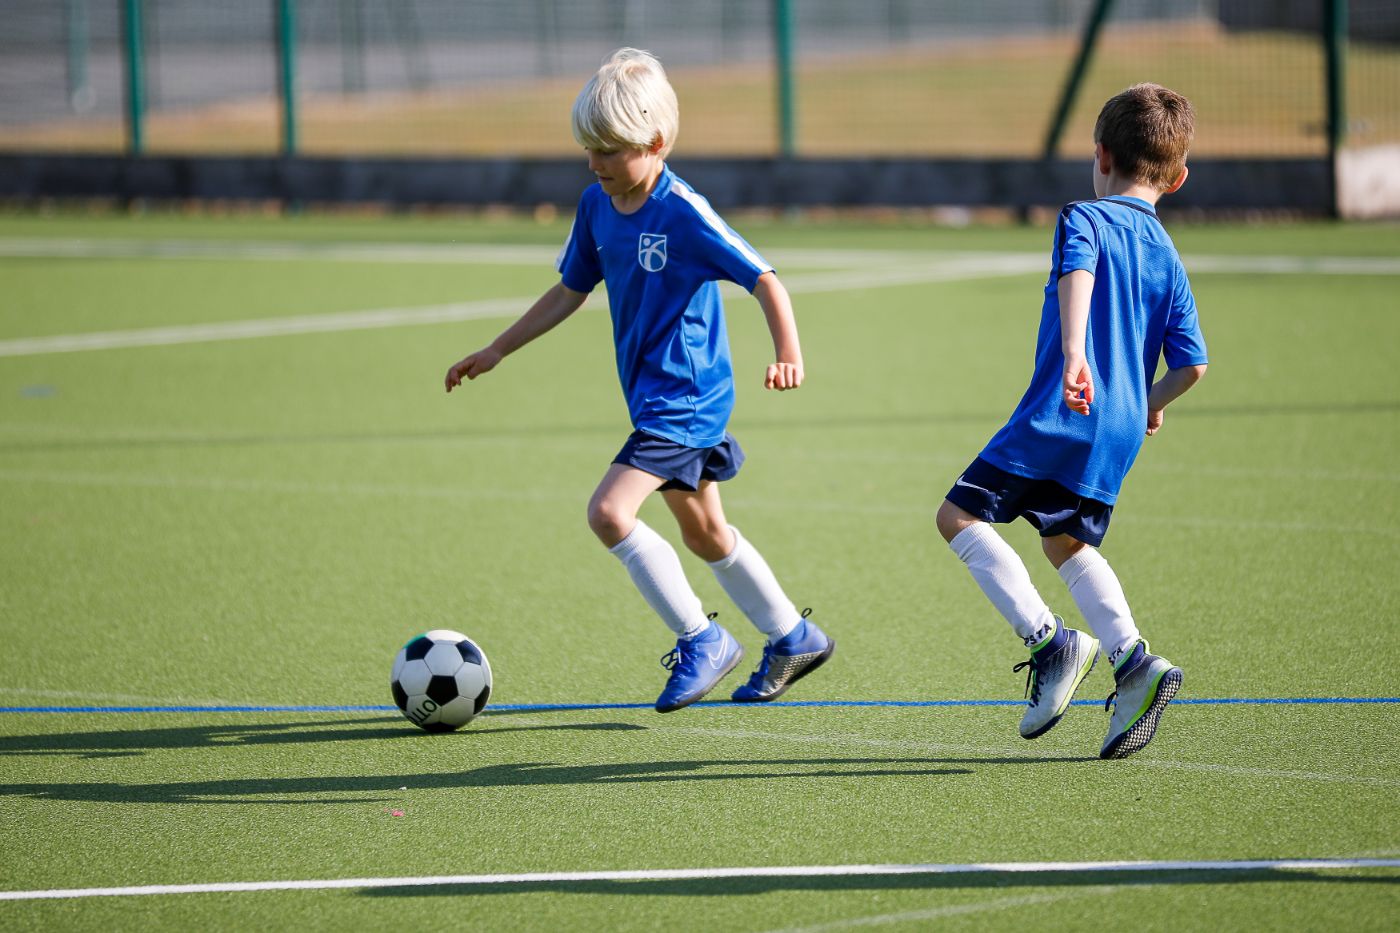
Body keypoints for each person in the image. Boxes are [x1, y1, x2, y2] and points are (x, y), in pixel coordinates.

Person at [444, 48, 833, 713]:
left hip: (684, 399)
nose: (596, 162)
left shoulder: (682, 210)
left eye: (611, 150)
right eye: (589, 149)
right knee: (705, 531)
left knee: (608, 512)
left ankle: (701, 639)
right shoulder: (597, 206)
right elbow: (569, 290)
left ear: (655, 143)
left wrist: (788, 351)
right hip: (659, 398)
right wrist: (498, 348)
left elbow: (764, 278)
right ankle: (793, 635)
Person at [935, 83, 1208, 759]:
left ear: (1101, 154)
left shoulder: (1083, 218)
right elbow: (1193, 364)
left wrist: (1077, 352)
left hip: (1065, 409)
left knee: (957, 517)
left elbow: (1076, 277)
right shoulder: (1169, 257)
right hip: (1117, 429)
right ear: (1177, 178)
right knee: (1065, 540)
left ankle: (1050, 642)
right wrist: (1150, 405)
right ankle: (1133, 661)